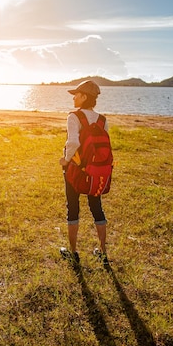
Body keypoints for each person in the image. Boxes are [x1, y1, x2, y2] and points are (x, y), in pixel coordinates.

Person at [59, 80, 109, 264]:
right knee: (96, 207)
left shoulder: (74, 117)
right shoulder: (102, 120)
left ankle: (73, 252)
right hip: (95, 171)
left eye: (77, 94)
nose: (74, 97)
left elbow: (73, 142)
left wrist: (65, 160)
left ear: (84, 97)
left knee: (73, 208)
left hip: (75, 170)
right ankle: (103, 252)